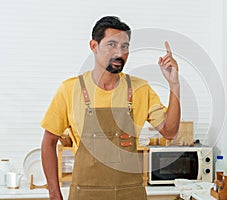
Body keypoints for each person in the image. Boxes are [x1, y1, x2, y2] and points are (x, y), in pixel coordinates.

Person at [41, 16, 180, 200]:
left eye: (125, 46)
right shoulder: (70, 89)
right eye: (112, 45)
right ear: (93, 46)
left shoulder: (140, 89)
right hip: (85, 195)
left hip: (130, 194)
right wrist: (54, 194)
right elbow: (48, 143)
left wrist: (174, 84)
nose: (120, 53)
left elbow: (169, 132)